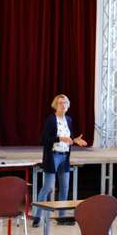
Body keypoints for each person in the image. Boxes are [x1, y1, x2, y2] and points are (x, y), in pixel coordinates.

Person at [33, 94, 87, 227]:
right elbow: (44, 139)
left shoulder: (68, 119)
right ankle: (37, 216)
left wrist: (74, 140)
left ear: (68, 106)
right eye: (60, 103)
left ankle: (62, 217)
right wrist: (60, 138)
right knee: (47, 187)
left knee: (64, 188)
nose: (63, 105)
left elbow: (69, 138)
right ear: (55, 105)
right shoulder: (51, 120)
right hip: (53, 156)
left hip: (65, 157)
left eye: (65, 103)